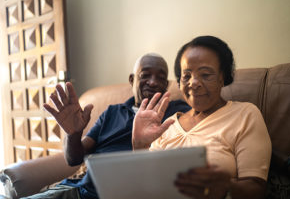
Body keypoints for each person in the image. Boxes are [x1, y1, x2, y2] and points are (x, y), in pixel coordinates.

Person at [22, 53, 191, 199]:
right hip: (82, 190)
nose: (153, 82)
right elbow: (73, 159)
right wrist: (73, 133)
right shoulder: (112, 112)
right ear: (132, 80)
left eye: (161, 78)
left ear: (167, 85)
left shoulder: (178, 111)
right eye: (145, 75)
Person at [132, 36, 272, 199]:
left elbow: (256, 189)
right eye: (186, 76)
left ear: (223, 77)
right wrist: (139, 147)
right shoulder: (167, 124)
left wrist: (226, 187)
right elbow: (144, 185)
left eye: (205, 75)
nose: (194, 82)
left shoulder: (245, 114)